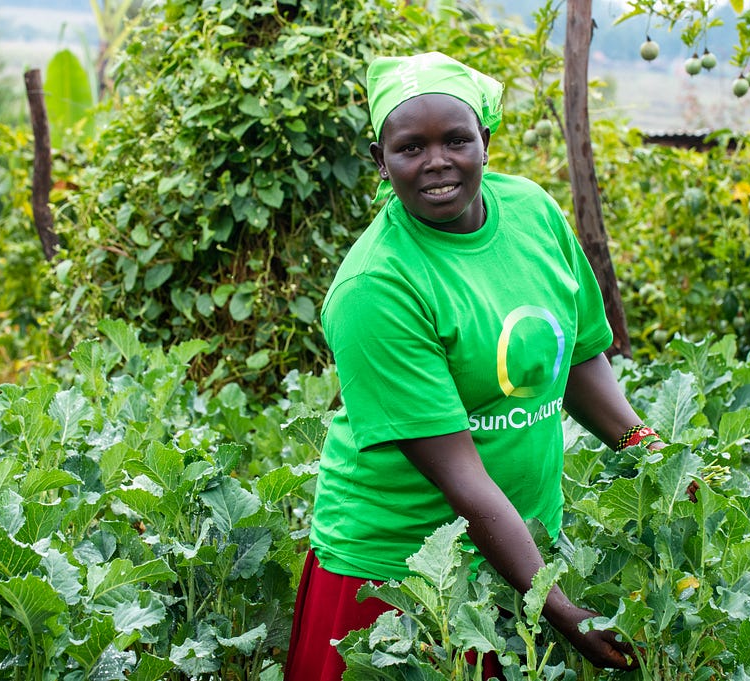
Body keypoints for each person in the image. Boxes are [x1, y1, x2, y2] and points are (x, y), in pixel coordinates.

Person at [284, 51, 662, 680]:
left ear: (486, 142)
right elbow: (462, 479)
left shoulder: (534, 213)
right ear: (380, 160)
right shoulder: (376, 287)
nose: (437, 162)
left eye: (457, 139)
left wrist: (654, 452)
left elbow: (576, 361)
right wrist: (557, 607)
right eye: (409, 148)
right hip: (398, 579)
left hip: (520, 550)